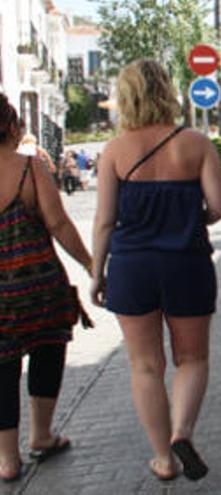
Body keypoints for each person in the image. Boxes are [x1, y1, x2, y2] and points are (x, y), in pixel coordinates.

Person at [91, 59, 221, 481]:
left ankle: (164, 460)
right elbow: (219, 208)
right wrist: (185, 221)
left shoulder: (114, 151)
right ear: (167, 91)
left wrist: (97, 273)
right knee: (192, 358)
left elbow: (104, 221)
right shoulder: (197, 143)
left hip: (132, 267)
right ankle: (181, 433)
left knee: (145, 366)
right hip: (187, 263)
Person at [0, 93, 92, 483]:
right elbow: (58, 223)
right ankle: (41, 434)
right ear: (11, 126)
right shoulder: (29, 167)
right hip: (38, 282)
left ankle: (7, 460)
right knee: (47, 349)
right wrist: (91, 263)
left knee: (2, 369)